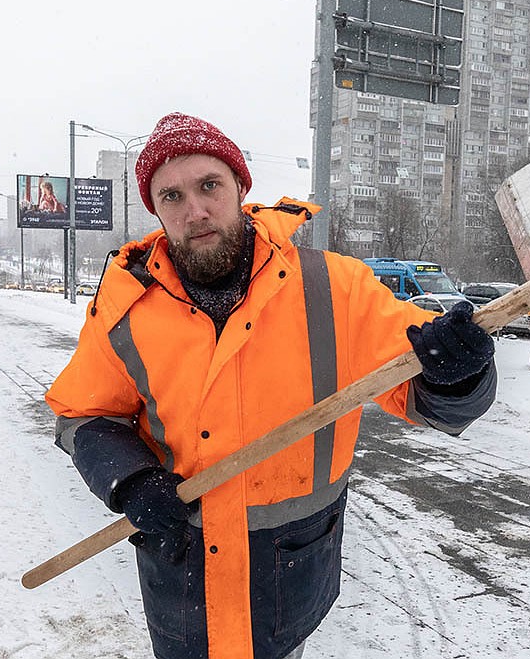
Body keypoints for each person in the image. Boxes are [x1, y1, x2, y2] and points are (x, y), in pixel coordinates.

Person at [45, 113, 496, 659]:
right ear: (156, 211)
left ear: (240, 186)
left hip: (286, 576)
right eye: (171, 196)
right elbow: (84, 414)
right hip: (182, 578)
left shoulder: (334, 287)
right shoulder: (124, 308)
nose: (195, 210)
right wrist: (130, 480)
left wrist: (458, 374)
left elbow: (425, 397)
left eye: (209, 185)